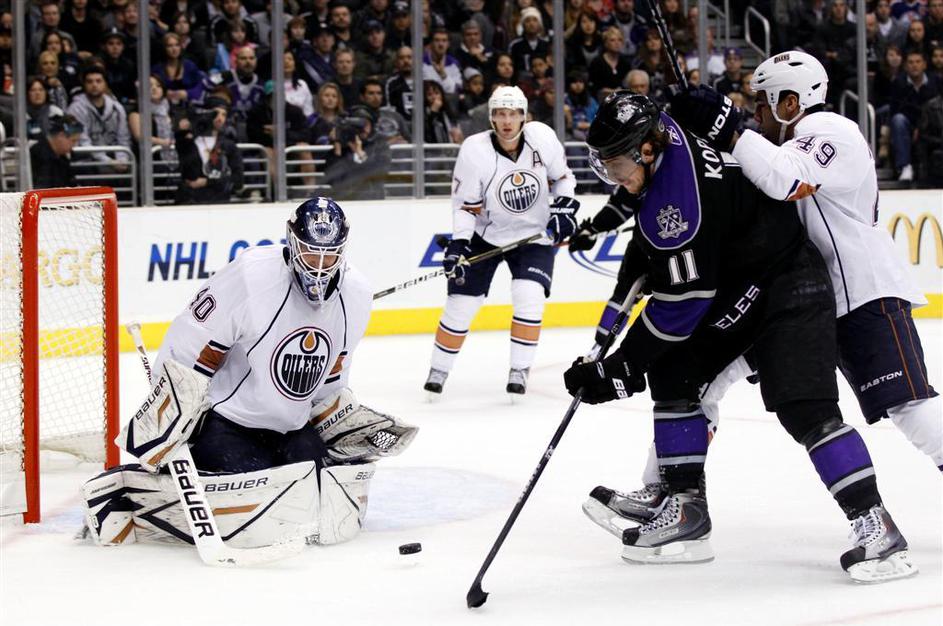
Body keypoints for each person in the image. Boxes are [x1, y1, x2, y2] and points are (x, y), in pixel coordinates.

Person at [563, 90, 916, 583]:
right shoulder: (668, 133)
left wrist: (622, 366)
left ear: (647, 149)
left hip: (790, 287)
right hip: (743, 283)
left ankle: (876, 527)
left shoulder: (678, 200)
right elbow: (653, 249)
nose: (614, 177)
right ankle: (685, 509)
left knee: (805, 408)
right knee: (674, 371)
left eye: (617, 163)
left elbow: (684, 304)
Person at [82, 198, 417, 549]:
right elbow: (189, 341)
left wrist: (339, 422)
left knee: (321, 490)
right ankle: (142, 489)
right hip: (229, 421)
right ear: (291, 242)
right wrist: (173, 413)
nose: (319, 267)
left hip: (291, 427)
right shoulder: (251, 277)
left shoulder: (356, 295)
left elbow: (333, 375)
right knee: (251, 487)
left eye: (328, 255)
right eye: (310, 253)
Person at [423, 86, 578, 398]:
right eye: (500, 114)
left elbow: (564, 178)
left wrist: (563, 209)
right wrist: (458, 244)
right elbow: (466, 205)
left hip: (534, 235)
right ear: (492, 117)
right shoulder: (474, 150)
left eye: (513, 114)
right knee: (461, 305)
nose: (507, 121)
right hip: (486, 236)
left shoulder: (542, 138)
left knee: (529, 294)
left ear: (524, 116)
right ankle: (438, 370)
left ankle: (519, 369)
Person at [173, 96, 243, 204]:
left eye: (224, 114)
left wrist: (207, 182)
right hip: (190, 202)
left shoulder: (229, 145)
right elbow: (188, 173)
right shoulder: (188, 141)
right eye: (216, 113)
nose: (220, 118)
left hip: (219, 201)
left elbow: (238, 180)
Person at [66, 65, 132, 173]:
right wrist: (108, 162)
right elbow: (82, 141)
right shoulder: (74, 109)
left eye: (98, 81)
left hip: (114, 157)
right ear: (84, 85)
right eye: (90, 82)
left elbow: (123, 138)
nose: (94, 85)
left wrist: (122, 160)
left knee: (136, 170)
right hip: (87, 159)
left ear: (105, 84)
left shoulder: (117, 108)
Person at [30, 113, 83, 189]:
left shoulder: (63, 157)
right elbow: (43, 187)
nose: (74, 145)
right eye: (73, 141)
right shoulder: (39, 155)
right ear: (61, 136)